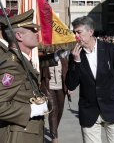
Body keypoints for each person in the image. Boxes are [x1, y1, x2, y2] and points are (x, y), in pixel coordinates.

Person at [65, 16, 114, 143]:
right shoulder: (75, 54)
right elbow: (71, 84)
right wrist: (76, 62)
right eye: (74, 32)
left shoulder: (110, 49)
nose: (76, 35)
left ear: (90, 31)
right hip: (89, 111)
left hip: (113, 108)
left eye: (79, 32)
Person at [0, 9, 49, 143]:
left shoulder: (22, 61)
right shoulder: (13, 65)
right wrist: (31, 110)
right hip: (19, 137)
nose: (36, 33)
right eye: (32, 30)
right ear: (19, 36)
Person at [41, 51, 71, 143]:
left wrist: (70, 86)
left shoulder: (63, 56)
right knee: (53, 110)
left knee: (60, 111)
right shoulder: (44, 57)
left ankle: (53, 131)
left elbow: (67, 71)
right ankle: (55, 139)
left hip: (61, 87)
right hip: (49, 87)